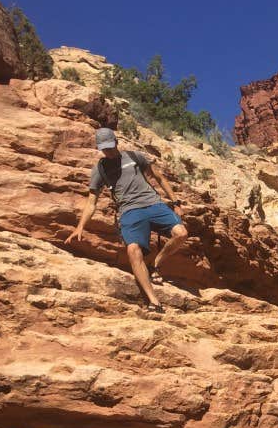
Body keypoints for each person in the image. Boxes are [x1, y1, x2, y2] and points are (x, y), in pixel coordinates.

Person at [65, 127, 188, 312]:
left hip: (153, 203)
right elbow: (91, 202)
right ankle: (154, 301)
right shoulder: (100, 169)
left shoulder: (134, 156)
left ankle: (155, 263)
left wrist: (175, 201)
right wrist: (80, 226)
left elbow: (159, 177)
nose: (108, 151)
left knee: (181, 234)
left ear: (116, 142)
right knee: (132, 250)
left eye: (110, 147)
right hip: (129, 211)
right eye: (104, 149)